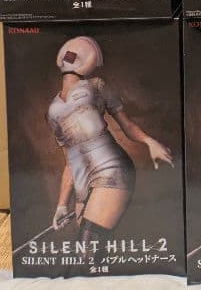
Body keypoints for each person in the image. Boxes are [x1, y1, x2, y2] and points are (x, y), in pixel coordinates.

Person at [47, 36, 173, 251]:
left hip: (111, 169)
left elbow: (127, 125)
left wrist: (150, 142)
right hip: (82, 181)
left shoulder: (97, 86)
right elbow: (70, 160)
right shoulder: (52, 110)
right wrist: (61, 204)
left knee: (88, 249)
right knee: (89, 254)